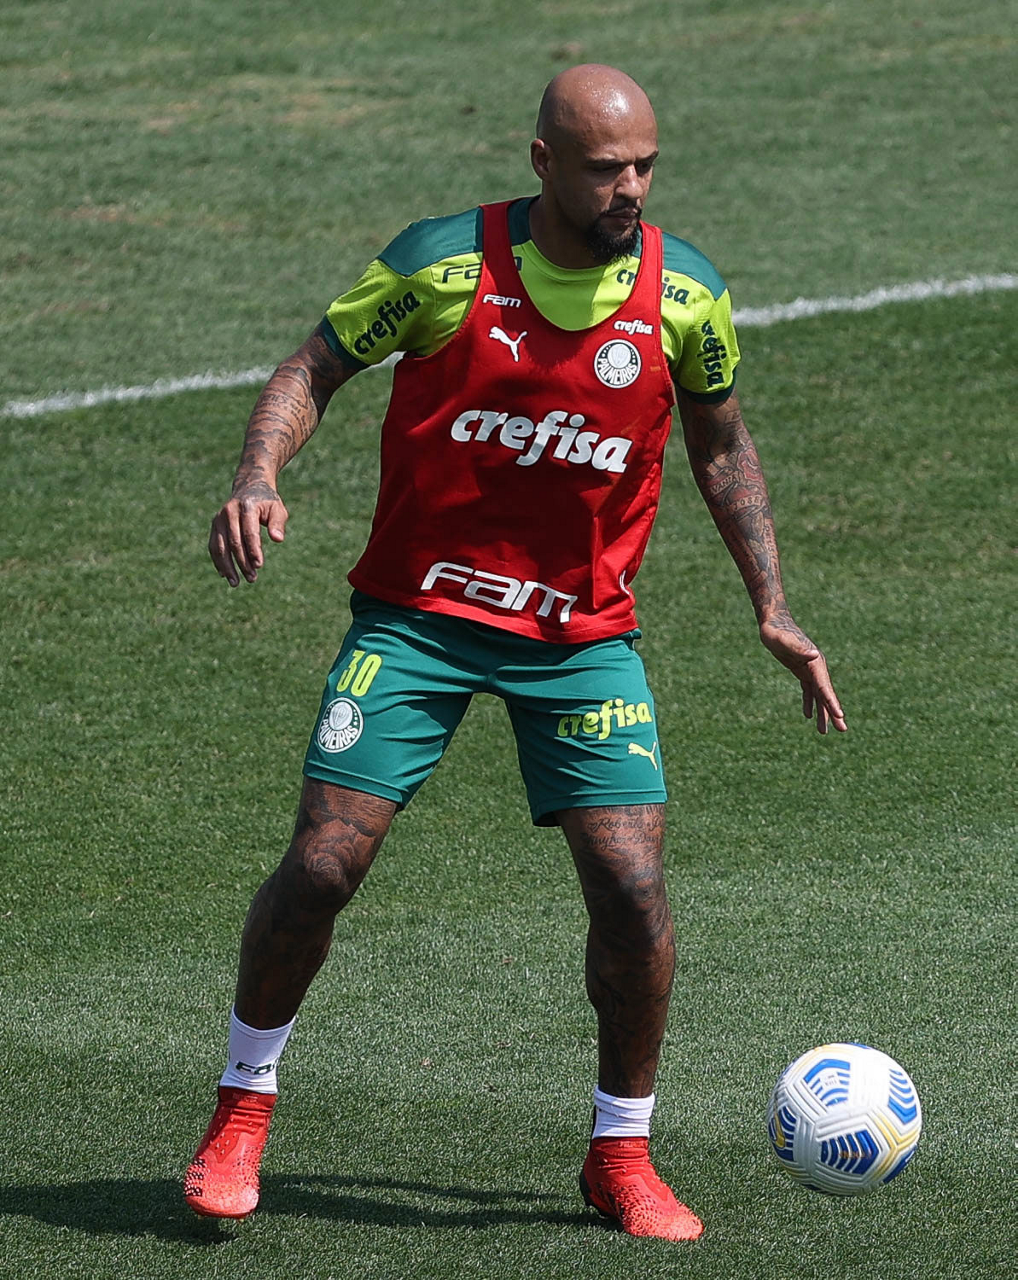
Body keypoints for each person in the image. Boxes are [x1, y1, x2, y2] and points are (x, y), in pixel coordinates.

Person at [185, 64, 846, 1243]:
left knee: (632, 889)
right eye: (604, 168)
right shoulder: (441, 266)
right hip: (417, 620)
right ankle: (242, 1107)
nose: (629, 188)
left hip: (580, 637)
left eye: (644, 166)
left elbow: (720, 447)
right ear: (543, 162)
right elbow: (312, 368)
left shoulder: (686, 293)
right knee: (324, 864)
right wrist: (257, 473)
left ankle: (620, 1153)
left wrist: (772, 604)